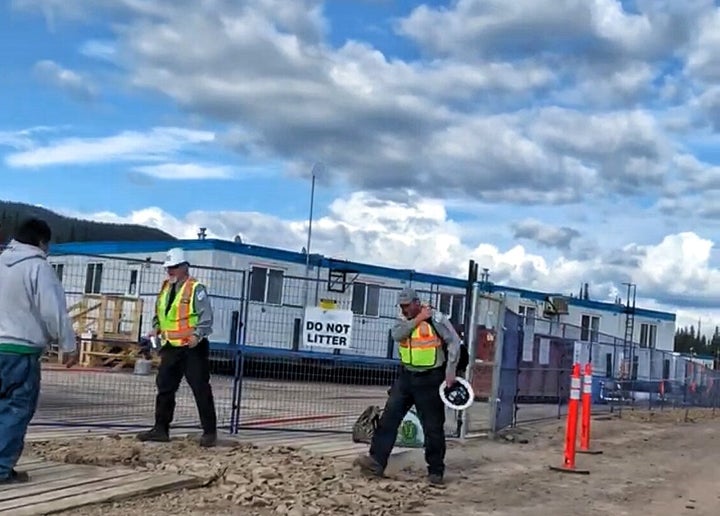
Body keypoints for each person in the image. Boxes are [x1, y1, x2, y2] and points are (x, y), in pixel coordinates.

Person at [354, 287, 462, 485]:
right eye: (401, 306)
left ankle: (435, 471)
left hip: (430, 379)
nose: (403, 310)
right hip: (406, 378)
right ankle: (376, 462)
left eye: (406, 306)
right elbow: (397, 335)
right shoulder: (405, 320)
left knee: (432, 427)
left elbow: (453, 341)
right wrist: (418, 319)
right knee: (388, 420)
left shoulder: (436, 319)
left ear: (416, 303)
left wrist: (450, 371)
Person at [0, 218, 78, 484]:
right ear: (42, 242)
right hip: (20, 350)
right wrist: (68, 344)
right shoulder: (38, 268)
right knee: (15, 408)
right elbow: (52, 311)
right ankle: (1, 468)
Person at [136, 247, 218, 447]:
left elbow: (206, 317)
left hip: (193, 348)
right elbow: (160, 314)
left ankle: (209, 432)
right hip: (171, 346)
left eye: (173, 267)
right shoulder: (165, 288)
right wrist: (155, 328)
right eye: (168, 267)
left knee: (200, 388)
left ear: (184, 267)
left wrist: (197, 335)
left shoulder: (195, 288)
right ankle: (160, 429)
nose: (169, 271)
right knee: (165, 387)